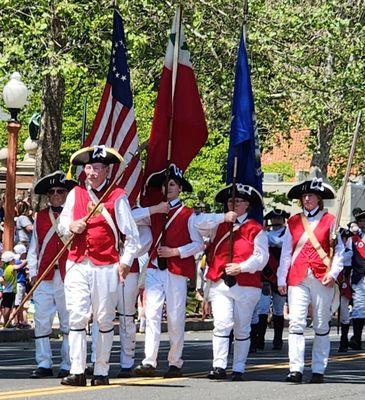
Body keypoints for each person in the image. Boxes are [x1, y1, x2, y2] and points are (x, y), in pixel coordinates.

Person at [59, 145, 140, 387]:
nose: (91, 173)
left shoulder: (117, 196)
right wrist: (72, 226)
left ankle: (102, 370)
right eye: (88, 168)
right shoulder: (74, 194)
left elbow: (132, 237)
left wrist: (125, 263)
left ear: (106, 170)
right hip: (77, 262)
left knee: (104, 319)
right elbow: (62, 226)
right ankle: (77, 370)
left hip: (105, 265)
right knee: (76, 315)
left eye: (96, 168)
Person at [133, 165, 203, 378]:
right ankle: (149, 360)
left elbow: (198, 244)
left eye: (172, 184)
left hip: (175, 269)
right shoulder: (156, 210)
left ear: (180, 188)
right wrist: (154, 210)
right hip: (155, 267)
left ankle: (175, 361)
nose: (168, 188)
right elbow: (131, 217)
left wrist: (175, 251)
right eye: (165, 185)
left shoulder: (188, 214)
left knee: (175, 316)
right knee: (152, 314)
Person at [194, 183, 269, 381]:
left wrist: (242, 267)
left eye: (238, 201)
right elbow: (196, 222)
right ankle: (218, 365)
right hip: (219, 283)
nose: (233, 204)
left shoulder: (256, 229)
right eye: (230, 201)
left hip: (245, 284)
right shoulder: (217, 224)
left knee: (242, 328)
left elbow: (261, 258)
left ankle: (239, 367)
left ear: (247, 205)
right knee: (221, 324)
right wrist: (221, 218)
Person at [277, 177, 344, 384]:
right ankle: (295, 369)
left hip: (321, 276)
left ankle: (318, 369)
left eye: (311, 195)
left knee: (321, 324)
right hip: (297, 276)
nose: (307, 199)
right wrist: (282, 277)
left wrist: (333, 274)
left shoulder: (331, 220)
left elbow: (340, 252)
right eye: (304, 196)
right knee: (296, 322)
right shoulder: (294, 221)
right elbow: (286, 252)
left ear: (319, 199)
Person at [27, 171, 77, 378]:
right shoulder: (39, 216)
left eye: (60, 191)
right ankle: (44, 363)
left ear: (67, 193)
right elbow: (34, 248)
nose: (56, 194)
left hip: (68, 274)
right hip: (44, 276)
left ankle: (68, 363)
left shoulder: (75, 216)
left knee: (68, 322)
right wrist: (32, 273)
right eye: (52, 192)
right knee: (41, 321)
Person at [250, 209, 290, 352]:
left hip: (280, 276)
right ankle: (259, 339)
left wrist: (265, 236)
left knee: (279, 310)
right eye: (273, 218)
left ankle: (277, 340)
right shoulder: (265, 233)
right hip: (265, 276)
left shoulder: (287, 233)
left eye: (279, 218)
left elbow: (280, 243)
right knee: (262, 308)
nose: (276, 220)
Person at [347, 209, 365, 350]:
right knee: (358, 307)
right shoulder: (352, 239)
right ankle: (357, 339)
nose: (363, 223)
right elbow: (347, 258)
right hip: (359, 277)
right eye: (361, 221)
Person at [13, 244, 31, 329]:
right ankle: (17, 321)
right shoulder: (18, 261)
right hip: (19, 283)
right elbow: (20, 265)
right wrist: (28, 260)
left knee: (20, 303)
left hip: (22, 283)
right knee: (18, 303)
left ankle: (20, 321)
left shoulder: (18, 261)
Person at [0, 251, 18, 328]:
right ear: (10, 260)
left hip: (6, 290)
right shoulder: (10, 267)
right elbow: (19, 266)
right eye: (14, 259)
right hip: (10, 291)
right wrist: (27, 261)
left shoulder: (4, 268)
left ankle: (5, 322)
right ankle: (6, 323)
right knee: (8, 307)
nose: (15, 261)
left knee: (5, 307)